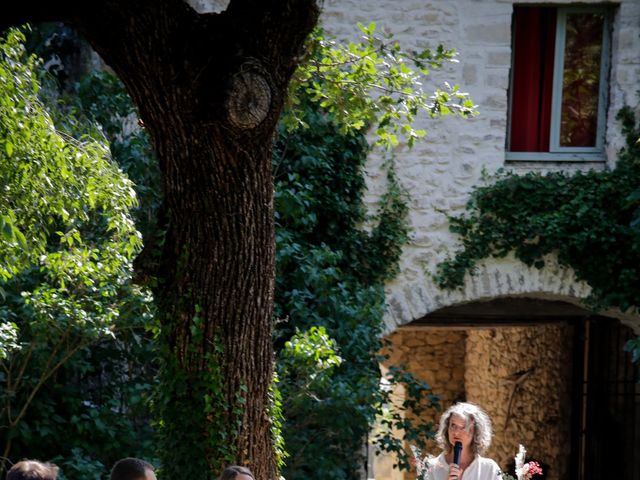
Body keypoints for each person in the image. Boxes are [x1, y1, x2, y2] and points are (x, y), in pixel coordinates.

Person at [427, 401, 501, 480]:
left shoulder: (489, 469)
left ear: (476, 432)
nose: (456, 432)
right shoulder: (430, 467)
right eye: (453, 425)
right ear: (446, 428)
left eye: (463, 427)